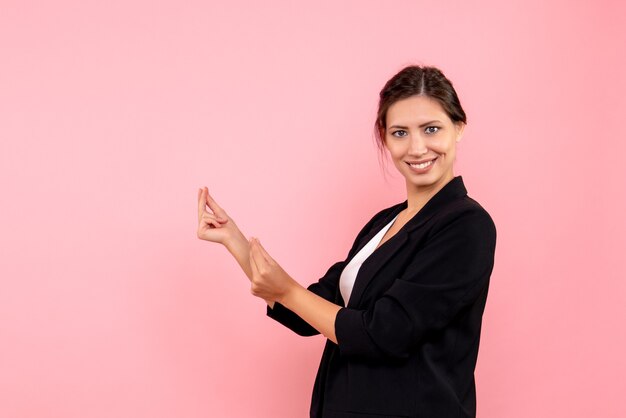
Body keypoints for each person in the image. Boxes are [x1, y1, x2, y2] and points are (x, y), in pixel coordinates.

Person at [196, 65, 497, 418]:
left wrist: (287, 291)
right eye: (400, 132)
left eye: (432, 129)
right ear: (384, 137)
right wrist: (235, 241)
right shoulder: (383, 224)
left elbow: (384, 334)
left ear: (459, 128)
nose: (417, 148)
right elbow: (311, 311)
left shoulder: (466, 225)